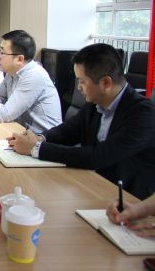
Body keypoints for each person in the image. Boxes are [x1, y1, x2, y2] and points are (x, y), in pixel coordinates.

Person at [8, 43, 155, 200]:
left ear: (106, 83)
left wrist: (37, 148)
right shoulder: (96, 102)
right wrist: (40, 138)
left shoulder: (144, 114)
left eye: (82, 81)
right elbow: (69, 130)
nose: (78, 87)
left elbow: (99, 156)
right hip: (94, 183)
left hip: (128, 199)